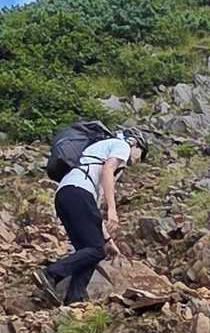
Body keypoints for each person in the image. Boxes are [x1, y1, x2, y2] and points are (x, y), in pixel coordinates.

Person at [36, 129, 147, 304]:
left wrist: (108, 240)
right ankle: (50, 273)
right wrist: (112, 210)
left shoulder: (100, 152)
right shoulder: (122, 146)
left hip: (67, 194)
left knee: (89, 251)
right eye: (141, 155)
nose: (137, 160)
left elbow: (93, 210)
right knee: (96, 250)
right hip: (78, 192)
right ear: (136, 144)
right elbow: (108, 170)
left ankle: (75, 298)